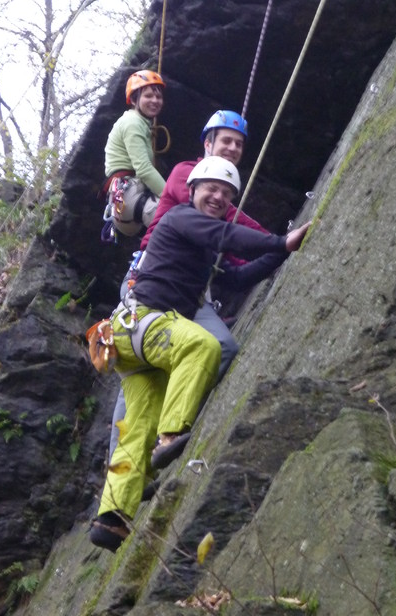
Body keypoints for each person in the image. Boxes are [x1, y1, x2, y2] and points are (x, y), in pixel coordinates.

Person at [90, 156, 311, 553]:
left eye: (227, 194)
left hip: (132, 344)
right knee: (202, 345)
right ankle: (170, 435)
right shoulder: (178, 218)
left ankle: (111, 519)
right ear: (191, 191)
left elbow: (239, 276)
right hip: (142, 322)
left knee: (137, 424)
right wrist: (280, 241)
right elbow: (229, 237)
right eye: (211, 188)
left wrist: (283, 251)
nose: (218, 197)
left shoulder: (197, 245)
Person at [108, 110, 268, 458]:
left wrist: (275, 251)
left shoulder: (222, 197)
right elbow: (227, 230)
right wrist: (277, 240)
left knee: (221, 346)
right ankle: (121, 462)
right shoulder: (187, 174)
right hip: (151, 281)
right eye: (225, 140)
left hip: (191, 293)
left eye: (239, 144)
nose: (232, 148)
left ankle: (167, 430)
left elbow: (233, 255)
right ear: (207, 143)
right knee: (139, 371)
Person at [103, 70, 166, 238]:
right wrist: (171, 197)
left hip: (126, 199)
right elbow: (144, 170)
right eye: (148, 96)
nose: (155, 101)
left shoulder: (139, 123)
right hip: (130, 194)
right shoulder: (133, 123)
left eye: (158, 97)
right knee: (177, 220)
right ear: (133, 100)